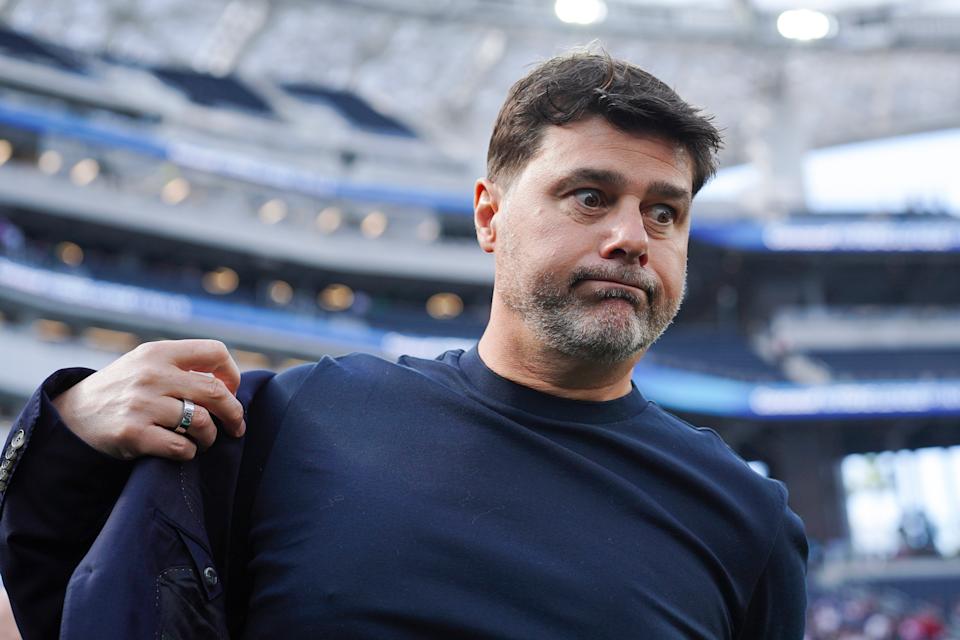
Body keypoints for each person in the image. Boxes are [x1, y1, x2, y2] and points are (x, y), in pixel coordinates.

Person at [0, 50, 807, 639]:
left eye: (665, 213)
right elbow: (61, 607)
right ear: (490, 217)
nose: (632, 237)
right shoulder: (289, 421)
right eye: (589, 196)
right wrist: (67, 429)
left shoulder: (746, 519)